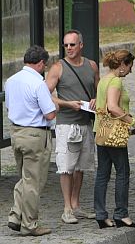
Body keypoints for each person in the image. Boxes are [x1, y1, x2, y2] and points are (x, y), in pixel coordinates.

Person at [46, 29, 99, 225]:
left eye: (72, 44)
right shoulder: (58, 67)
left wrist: (95, 98)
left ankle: (76, 205)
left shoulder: (92, 66)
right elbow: (45, 94)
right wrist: (67, 104)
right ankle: (66, 208)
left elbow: (99, 88)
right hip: (66, 124)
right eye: (66, 45)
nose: (68, 48)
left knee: (80, 167)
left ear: (81, 45)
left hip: (85, 122)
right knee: (66, 168)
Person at [6, 45, 58, 237]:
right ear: (41, 63)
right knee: (33, 182)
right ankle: (29, 224)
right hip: (36, 136)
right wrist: (57, 106)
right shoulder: (38, 83)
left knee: (25, 178)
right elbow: (50, 114)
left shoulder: (11, 81)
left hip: (17, 133)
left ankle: (15, 214)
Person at [93, 49, 135, 229]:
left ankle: (101, 215)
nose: (130, 71)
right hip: (114, 133)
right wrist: (133, 121)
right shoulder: (115, 82)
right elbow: (113, 107)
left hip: (101, 131)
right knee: (123, 173)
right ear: (122, 65)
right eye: (130, 66)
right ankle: (121, 214)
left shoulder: (104, 80)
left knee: (102, 174)